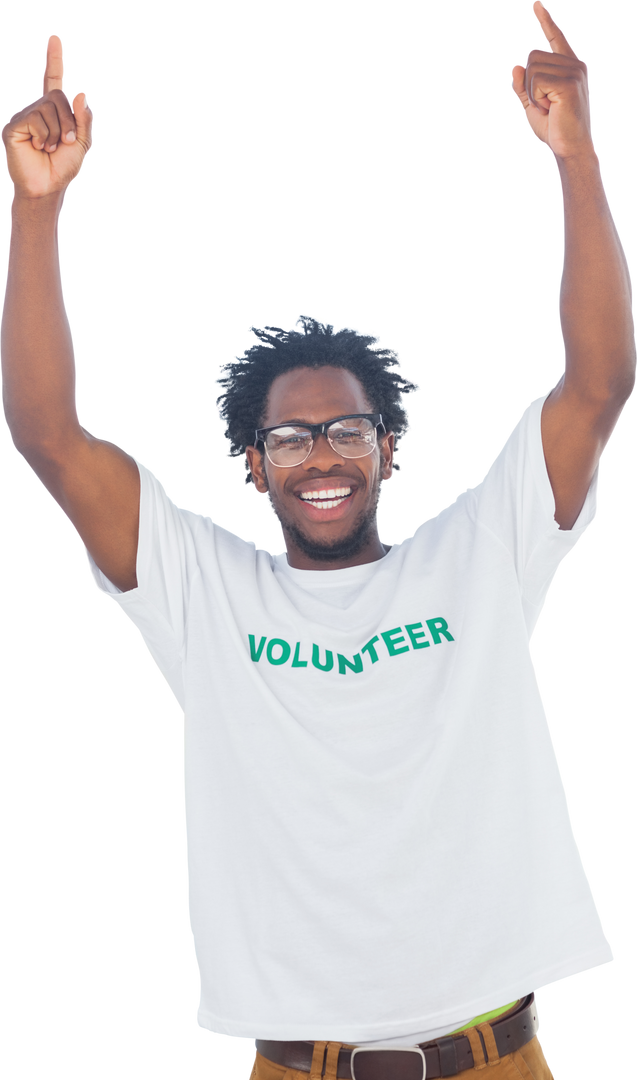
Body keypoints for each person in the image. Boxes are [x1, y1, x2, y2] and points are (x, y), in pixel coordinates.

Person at [1, 6, 633, 1078]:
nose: (319, 456)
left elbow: (597, 385)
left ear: (388, 449)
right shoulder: (204, 590)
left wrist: (576, 155)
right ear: (252, 467)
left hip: (498, 1061)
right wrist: (34, 209)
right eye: (286, 437)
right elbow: (51, 440)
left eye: (345, 429)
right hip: (296, 1067)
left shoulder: (480, 555)